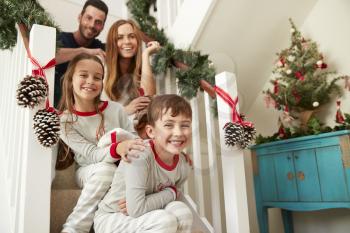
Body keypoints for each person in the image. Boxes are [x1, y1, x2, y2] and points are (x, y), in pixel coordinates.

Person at [58, 53, 146, 233]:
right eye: (83, 75)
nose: (90, 81)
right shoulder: (64, 121)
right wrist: (118, 147)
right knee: (106, 170)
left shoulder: (116, 109)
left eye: (97, 77)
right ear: (70, 79)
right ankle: (74, 228)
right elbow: (92, 154)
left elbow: (134, 140)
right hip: (88, 170)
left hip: (122, 169)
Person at [94, 94, 194, 233]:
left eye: (185, 125)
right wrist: (171, 192)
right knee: (164, 221)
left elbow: (172, 197)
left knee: (183, 212)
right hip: (113, 217)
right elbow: (137, 209)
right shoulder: (139, 153)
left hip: (147, 214)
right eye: (168, 125)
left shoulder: (183, 164)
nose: (178, 132)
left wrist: (171, 193)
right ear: (151, 132)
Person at [54, 0, 108, 107]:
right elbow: (48, 56)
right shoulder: (61, 39)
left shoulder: (101, 48)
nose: (92, 25)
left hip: (88, 114)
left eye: (98, 22)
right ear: (80, 17)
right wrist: (83, 51)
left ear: (102, 26)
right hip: (55, 110)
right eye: (89, 18)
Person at [104, 19, 160, 116]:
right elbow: (100, 115)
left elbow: (148, 99)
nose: (127, 41)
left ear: (138, 41)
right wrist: (126, 110)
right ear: (112, 43)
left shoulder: (144, 67)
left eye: (132, 36)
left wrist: (145, 54)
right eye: (120, 38)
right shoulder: (103, 70)